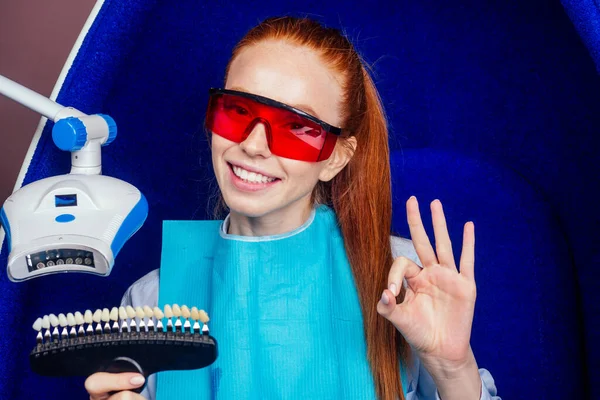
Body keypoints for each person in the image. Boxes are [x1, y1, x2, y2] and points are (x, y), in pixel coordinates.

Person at [84, 16, 499, 400]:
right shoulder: (153, 301)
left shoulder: (402, 282)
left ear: (335, 158)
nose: (252, 145)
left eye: (297, 127)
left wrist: (452, 367)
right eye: (238, 110)